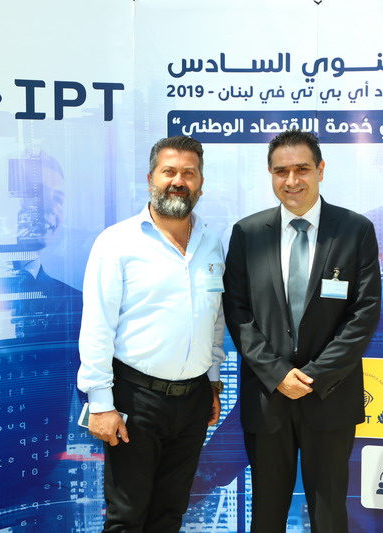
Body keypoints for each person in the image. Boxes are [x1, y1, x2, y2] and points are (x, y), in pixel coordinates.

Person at [223, 130, 382, 532]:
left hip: (330, 397)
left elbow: (363, 314)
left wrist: (314, 376)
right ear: (270, 174)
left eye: (302, 169)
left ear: (320, 170)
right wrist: (278, 374)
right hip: (268, 398)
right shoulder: (247, 233)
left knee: (329, 516)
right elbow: (237, 313)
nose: (291, 180)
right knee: (266, 516)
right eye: (281, 171)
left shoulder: (355, 230)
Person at [77, 136, 225, 532]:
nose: (178, 181)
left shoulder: (212, 243)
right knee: (127, 517)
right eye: (169, 171)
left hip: (193, 401)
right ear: (150, 179)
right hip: (135, 400)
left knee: (169, 515)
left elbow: (214, 320)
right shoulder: (116, 242)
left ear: (201, 183)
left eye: (189, 173)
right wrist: (101, 404)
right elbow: (97, 325)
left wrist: (212, 383)